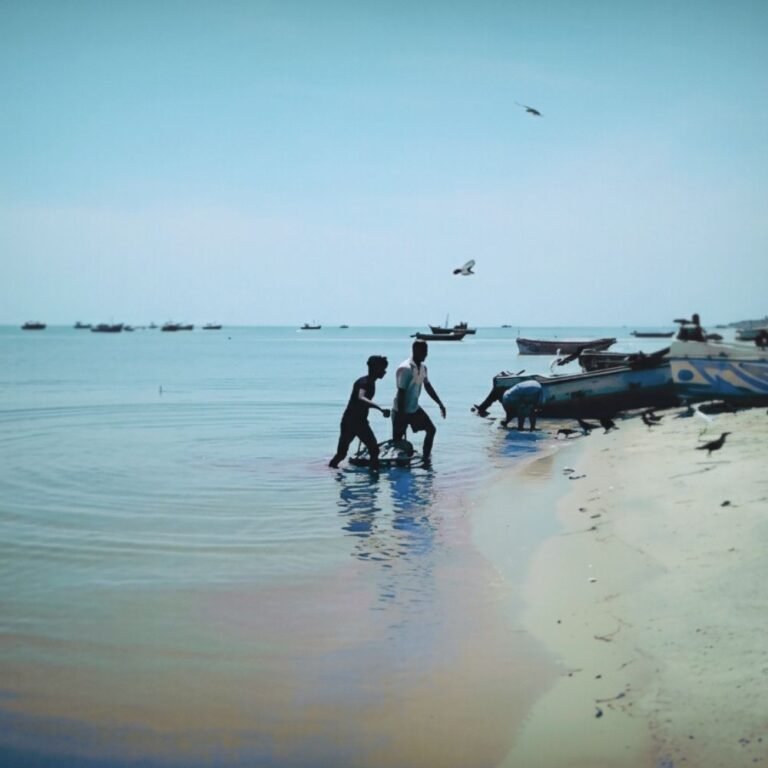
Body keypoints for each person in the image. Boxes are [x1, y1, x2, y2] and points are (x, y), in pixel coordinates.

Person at [329, 355, 391, 472]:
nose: (384, 371)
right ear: (374, 368)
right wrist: (380, 408)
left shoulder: (371, 382)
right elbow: (361, 398)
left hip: (351, 421)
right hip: (355, 422)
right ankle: (374, 478)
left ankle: (332, 473)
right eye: (382, 368)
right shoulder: (363, 382)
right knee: (373, 450)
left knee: (342, 454)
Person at [392, 340, 446, 464]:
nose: (426, 354)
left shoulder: (423, 368)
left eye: (427, 351)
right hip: (400, 411)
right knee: (398, 444)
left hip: (414, 408)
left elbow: (427, 386)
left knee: (431, 430)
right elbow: (401, 393)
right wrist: (401, 417)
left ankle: (426, 458)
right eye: (424, 351)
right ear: (415, 350)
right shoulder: (405, 368)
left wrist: (440, 404)